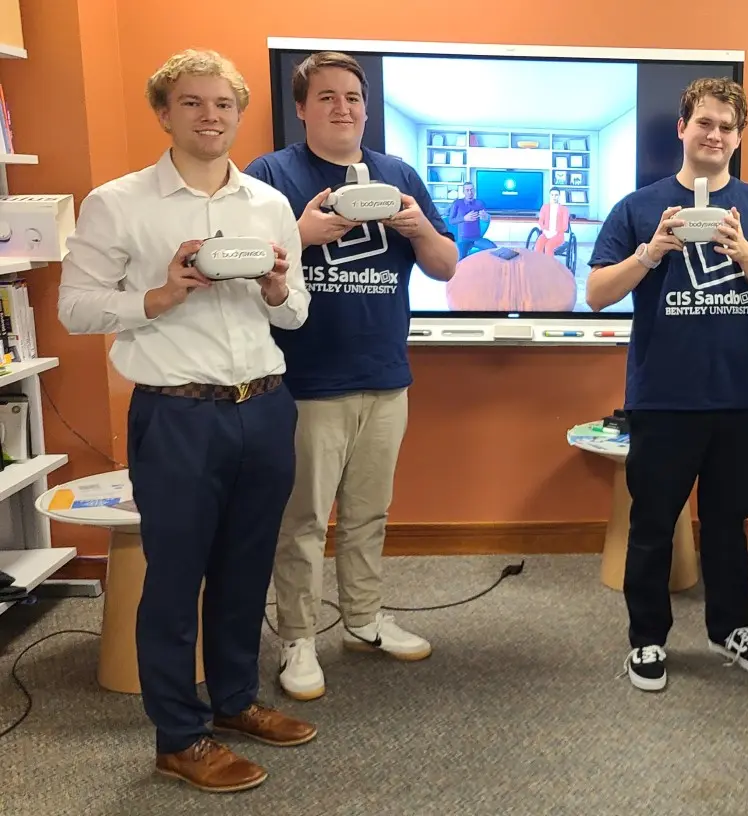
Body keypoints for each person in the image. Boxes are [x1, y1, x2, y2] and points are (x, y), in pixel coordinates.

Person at [56, 48, 317, 793]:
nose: (211, 116)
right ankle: (179, 736)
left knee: (246, 567)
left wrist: (273, 285)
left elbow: (296, 311)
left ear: (238, 114)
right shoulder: (118, 202)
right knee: (174, 578)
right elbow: (76, 308)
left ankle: (233, 701)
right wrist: (160, 294)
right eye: (193, 103)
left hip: (264, 405)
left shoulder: (267, 205)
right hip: (178, 415)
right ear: (164, 114)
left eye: (223, 104)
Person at [244, 51, 457, 702]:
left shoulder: (398, 175)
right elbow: (247, 268)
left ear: (367, 108)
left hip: (386, 373)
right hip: (306, 379)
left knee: (369, 513)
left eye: (353, 97)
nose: (343, 107)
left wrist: (416, 223)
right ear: (302, 108)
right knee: (303, 521)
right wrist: (302, 232)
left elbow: (447, 265)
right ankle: (299, 639)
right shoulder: (271, 174)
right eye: (327, 97)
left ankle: (364, 619)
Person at [586, 77, 748, 692]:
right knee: (653, 523)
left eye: (727, 126)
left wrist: (743, 251)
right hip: (664, 396)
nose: (715, 134)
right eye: (704, 122)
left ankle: (730, 628)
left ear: (739, 137)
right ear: (682, 128)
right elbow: (598, 294)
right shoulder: (638, 206)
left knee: (730, 522)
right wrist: (651, 252)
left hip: (739, 395)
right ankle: (647, 639)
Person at [447, 181, 489, 258]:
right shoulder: (457, 203)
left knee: (493, 249)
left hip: (477, 238)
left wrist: (485, 217)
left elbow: (485, 219)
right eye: (467, 190)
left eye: (472, 190)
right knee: (460, 259)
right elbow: (451, 221)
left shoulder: (480, 203)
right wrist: (464, 218)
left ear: (474, 191)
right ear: (463, 192)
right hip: (463, 240)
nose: (470, 192)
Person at [534, 187, 571, 255]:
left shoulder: (564, 209)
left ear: (559, 196)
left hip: (558, 235)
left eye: (556, 195)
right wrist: (545, 230)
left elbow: (565, 226)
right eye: (552, 195)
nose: (554, 197)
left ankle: (550, 264)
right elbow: (540, 221)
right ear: (550, 195)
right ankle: (539, 263)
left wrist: (555, 232)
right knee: (538, 245)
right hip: (546, 233)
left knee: (548, 246)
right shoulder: (544, 207)